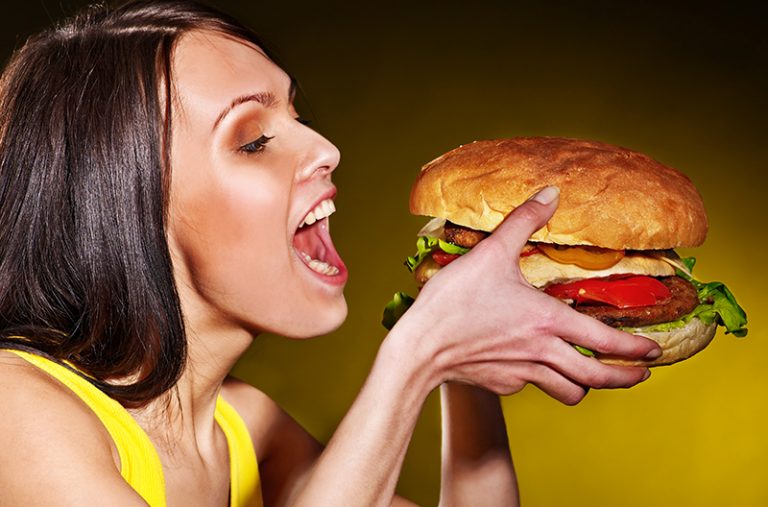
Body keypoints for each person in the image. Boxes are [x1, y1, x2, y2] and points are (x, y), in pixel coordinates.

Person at [0, 1, 661, 505]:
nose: (324, 148)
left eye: (297, 114)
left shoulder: (243, 424)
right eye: (254, 140)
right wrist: (416, 354)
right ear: (124, 207)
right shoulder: (17, 406)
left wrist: (460, 369)